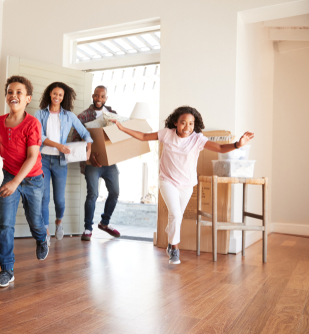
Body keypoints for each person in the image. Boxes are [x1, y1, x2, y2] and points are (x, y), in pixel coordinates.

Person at [110, 106, 255, 264]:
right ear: (176, 123)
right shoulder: (167, 134)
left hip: (187, 185)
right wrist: (122, 128)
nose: (187, 127)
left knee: (176, 217)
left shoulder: (197, 139)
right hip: (167, 180)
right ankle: (174, 249)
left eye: (191, 123)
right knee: (176, 215)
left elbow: (220, 148)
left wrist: (237, 145)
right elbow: (144, 136)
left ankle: (170, 236)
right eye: (183, 123)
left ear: (195, 124)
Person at [0, 75, 48, 288]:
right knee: (5, 224)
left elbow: (32, 157)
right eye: (10, 92)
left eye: (19, 92)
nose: (14, 95)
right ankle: (6, 269)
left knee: (35, 222)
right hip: (8, 176)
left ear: (28, 98)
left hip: (32, 179)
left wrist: (16, 183)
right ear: (6, 97)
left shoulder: (32, 124)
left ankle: (41, 239)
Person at [35, 82, 93, 244]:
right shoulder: (40, 114)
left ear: (63, 97)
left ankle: (58, 223)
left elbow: (85, 133)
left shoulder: (69, 116)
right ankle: (45, 231)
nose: (57, 97)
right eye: (55, 94)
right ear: (49, 94)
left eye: (60, 95)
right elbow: (39, 137)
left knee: (59, 199)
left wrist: (88, 149)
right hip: (43, 160)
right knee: (44, 198)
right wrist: (58, 145)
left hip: (61, 161)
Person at [72, 85, 121, 241]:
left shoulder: (113, 115)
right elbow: (75, 140)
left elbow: (117, 138)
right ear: (92, 96)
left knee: (115, 192)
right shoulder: (83, 116)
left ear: (106, 98)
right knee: (92, 194)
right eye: (96, 96)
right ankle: (87, 228)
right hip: (92, 163)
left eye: (102, 96)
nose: (99, 99)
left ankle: (104, 223)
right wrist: (89, 156)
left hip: (110, 162)